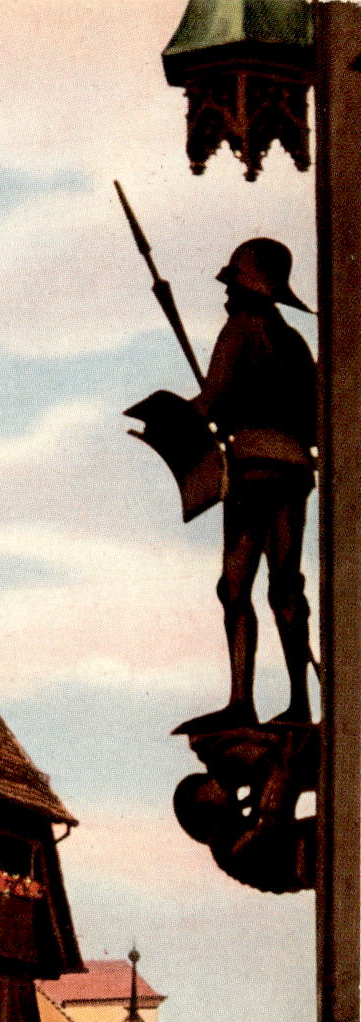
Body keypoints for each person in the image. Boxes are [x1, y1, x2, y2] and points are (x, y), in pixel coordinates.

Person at [179, 238, 317, 736]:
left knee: (235, 586)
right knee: (286, 585)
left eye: (231, 283)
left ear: (247, 286)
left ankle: (241, 700)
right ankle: (300, 700)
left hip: (253, 470)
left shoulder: (239, 329)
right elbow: (314, 423)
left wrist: (174, 415)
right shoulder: (296, 344)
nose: (226, 293)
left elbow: (211, 400)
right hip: (294, 471)